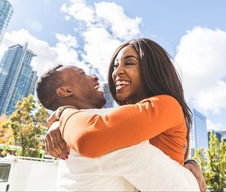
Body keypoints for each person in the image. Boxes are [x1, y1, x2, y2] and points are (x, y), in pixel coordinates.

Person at [40, 38, 206, 191]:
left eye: (129, 63)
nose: (116, 72)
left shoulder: (165, 105)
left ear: (152, 68)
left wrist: (64, 113)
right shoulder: (113, 120)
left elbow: (91, 135)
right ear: (66, 91)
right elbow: (93, 134)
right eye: (115, 66)